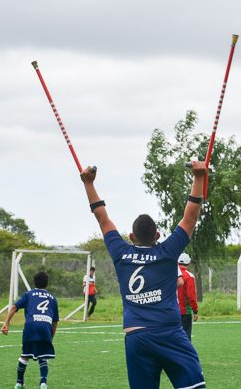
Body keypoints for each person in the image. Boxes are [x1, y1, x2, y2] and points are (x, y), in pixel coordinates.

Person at [80, 162, 207, 389]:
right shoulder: (167, 252)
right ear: (158, 235)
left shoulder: (121, 252)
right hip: (169, 333)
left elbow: (101, 217)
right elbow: (190, 218)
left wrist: (88, 183)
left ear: (131, 236)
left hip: (136, 338)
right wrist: (199, 177)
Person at [2, 271, 59, 389]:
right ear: (47, 284)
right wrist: (51, 337)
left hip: (30, 327)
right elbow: (55, 321)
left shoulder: (28, 294)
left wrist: (6, 323)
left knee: (24, 355)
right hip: (45, 327)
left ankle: (19, 383)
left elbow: (14, 307)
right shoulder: (53, 298)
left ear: (34, 282)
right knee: (43, 356)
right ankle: (43, 383)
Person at [178, 253, 199, 340]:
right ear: (189, 263)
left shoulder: (171, 273)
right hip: (184, 312)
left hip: (170, 311)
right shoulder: (189, 276)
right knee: (185, 337)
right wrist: (195, 311)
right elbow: (191, 296)